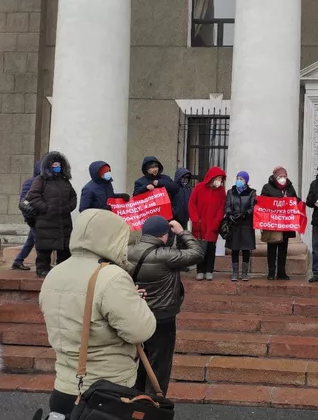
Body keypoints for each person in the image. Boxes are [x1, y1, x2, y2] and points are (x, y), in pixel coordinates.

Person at [39, 209, 156, 417]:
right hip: (105, 391)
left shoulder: (55, 272)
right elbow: (141, 331)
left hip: (65, 385)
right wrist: (138, 303)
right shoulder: (111, 276)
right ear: (112, 238)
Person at [129, 216, 204, 395]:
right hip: (162, 317)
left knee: (138, 360)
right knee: (159, 364)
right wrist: (182, 232)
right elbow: (197, 253)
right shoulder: (165, 255)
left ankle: (136, 399)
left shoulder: (128, 251)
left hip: (136, 313)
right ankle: (155, 400)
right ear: (164, 235)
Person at [26, 151, 77, 278]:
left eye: (58, 165)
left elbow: (73, 196)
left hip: (63, 222)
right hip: (46, 221)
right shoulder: (40, 180)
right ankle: (42, 269)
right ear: (48, 166)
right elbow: (32, 196)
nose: (57, 167)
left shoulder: (65, 181)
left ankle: (63, 270)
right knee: (44, 249)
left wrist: (68, 207)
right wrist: (45, 208)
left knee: (64, 248)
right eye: (54, 165)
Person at [189, 166, 227, 281]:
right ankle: (200, 270)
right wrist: (195, 220)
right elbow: (192, 204)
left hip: (213, 223)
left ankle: (209, 270)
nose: (220, 181)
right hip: (200, 224)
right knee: (200, 248)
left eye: (221, 179)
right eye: (218, 178)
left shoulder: (221, 191)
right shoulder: (199, 187)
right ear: (212, 177)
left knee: (211, 248)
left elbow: (222, 207)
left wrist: (217, 220)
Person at [261, 166, 299, 280]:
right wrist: (279, 200)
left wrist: (293, 200)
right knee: (271, 249)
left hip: (285, 224)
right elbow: (262, 202)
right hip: (273, 223)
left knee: (283, 249)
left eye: (284, 176)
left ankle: (281, 272)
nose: (282, 179)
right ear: (275, 177)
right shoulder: (267, 187)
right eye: (280, 176)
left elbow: (296, 200)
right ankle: (271, 272)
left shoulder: (290, 187)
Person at [225, 171, 257, 282]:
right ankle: (235, 272)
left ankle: (244, 273)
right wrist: (229, 214)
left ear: (246, 181)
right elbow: (227, 205)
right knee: (234, 249)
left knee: (246, 249)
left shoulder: (252, 193)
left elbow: (253, 207)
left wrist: (244, 214)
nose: (239, 180)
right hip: (234, 224)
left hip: (246, 224)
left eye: (241, 179)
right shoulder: (231, 192)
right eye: (237, 178)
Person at [12, 160, 41, 271]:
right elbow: (23, 202)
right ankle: (41, 264)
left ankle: (18, 261)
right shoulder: (30, 183)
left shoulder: (44, 182)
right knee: (39, 240)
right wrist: (29, 218)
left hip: (39, 216)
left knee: (31, 240)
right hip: (32, 217)